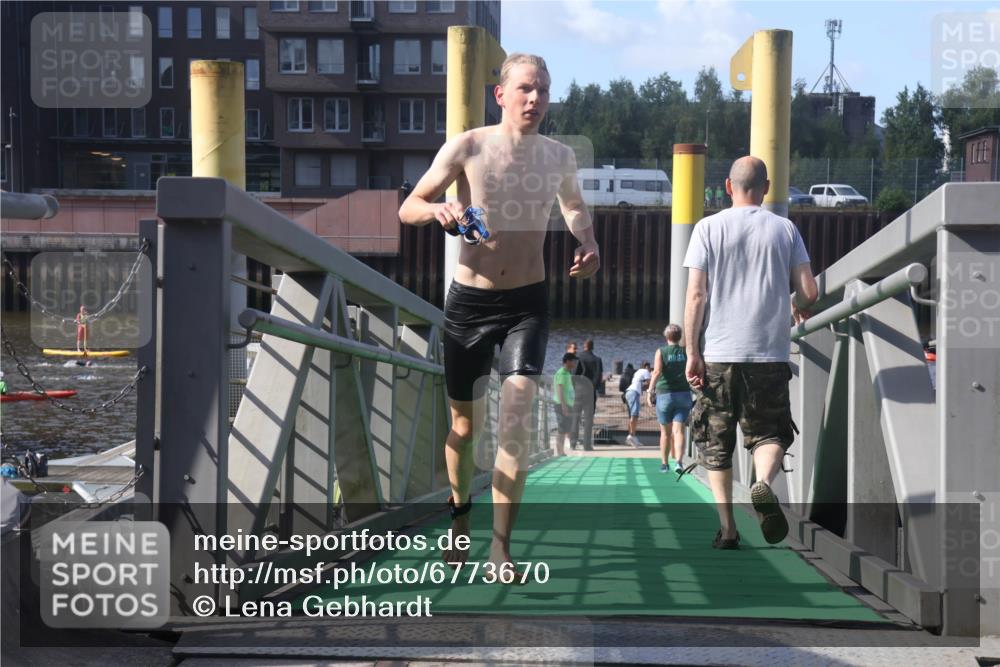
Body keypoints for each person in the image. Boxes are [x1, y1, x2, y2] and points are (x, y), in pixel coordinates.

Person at [398, 53, 600, 573]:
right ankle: (461, 517)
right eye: (527, 89)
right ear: (502, 95)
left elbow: (574, 205)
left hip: (526, 304)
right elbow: (410, 205)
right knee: (463, 430)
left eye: (544, 91)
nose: (536, 99)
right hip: (469, 303)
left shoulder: (558, 156)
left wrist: (588, 240)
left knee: (514, 421)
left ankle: (500, 546)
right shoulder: (468, 146)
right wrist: (441, 209)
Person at [683, 156, 818, 550]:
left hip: (721, 354)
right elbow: (809, 292)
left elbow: (696, 295)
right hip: (769, 353)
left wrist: (693, 352)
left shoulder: (707, 228)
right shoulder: (785, 229)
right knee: (770, 432)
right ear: (767, 187)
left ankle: (727, 530)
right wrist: (794, 300)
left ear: (728, 186)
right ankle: (761, 484)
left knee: (716, 443)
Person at [646, 324, 691, 473]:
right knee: (679, 431)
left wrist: (650, 390)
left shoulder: (661, 351)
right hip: (684, 394)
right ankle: (679, 461)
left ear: (666, 337)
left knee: (665, 432)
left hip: (665, 394)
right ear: (680, 337)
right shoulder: (686, 351)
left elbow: (657, 371)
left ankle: (664, 464)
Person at [572, 339, 603, 451]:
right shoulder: (598, 360)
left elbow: (574, 375)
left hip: (579, 391)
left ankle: (573, 443)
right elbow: (599, 377)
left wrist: (575, 388)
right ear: (592, 347)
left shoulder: (578, 358)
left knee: (575, 417)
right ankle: (587, 445)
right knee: (589, 419)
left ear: (584, 346)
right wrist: (595, 388)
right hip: (591, 391)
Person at [552, 352, 577, 456]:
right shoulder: (562, 373)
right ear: (567, 361)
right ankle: (560, 451)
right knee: (562, 428)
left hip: (568, 404)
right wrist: (563, 405)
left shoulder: (567, 373)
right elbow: (559, 388)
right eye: (573, 361)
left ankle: (562, 449)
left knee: (566, 427)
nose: (575, 363)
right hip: (562, 404)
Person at [624, 361, 651, 447]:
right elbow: (649, 383)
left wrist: (644, 388)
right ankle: (631, 435)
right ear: (646, 367)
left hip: (628, 392)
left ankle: (632, 437)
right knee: (634, 415)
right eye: (649, 367)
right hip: (633, 393)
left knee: (631, 416)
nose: (649, 369)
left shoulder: (637, 372)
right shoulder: (646, 371)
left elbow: (642, 385)